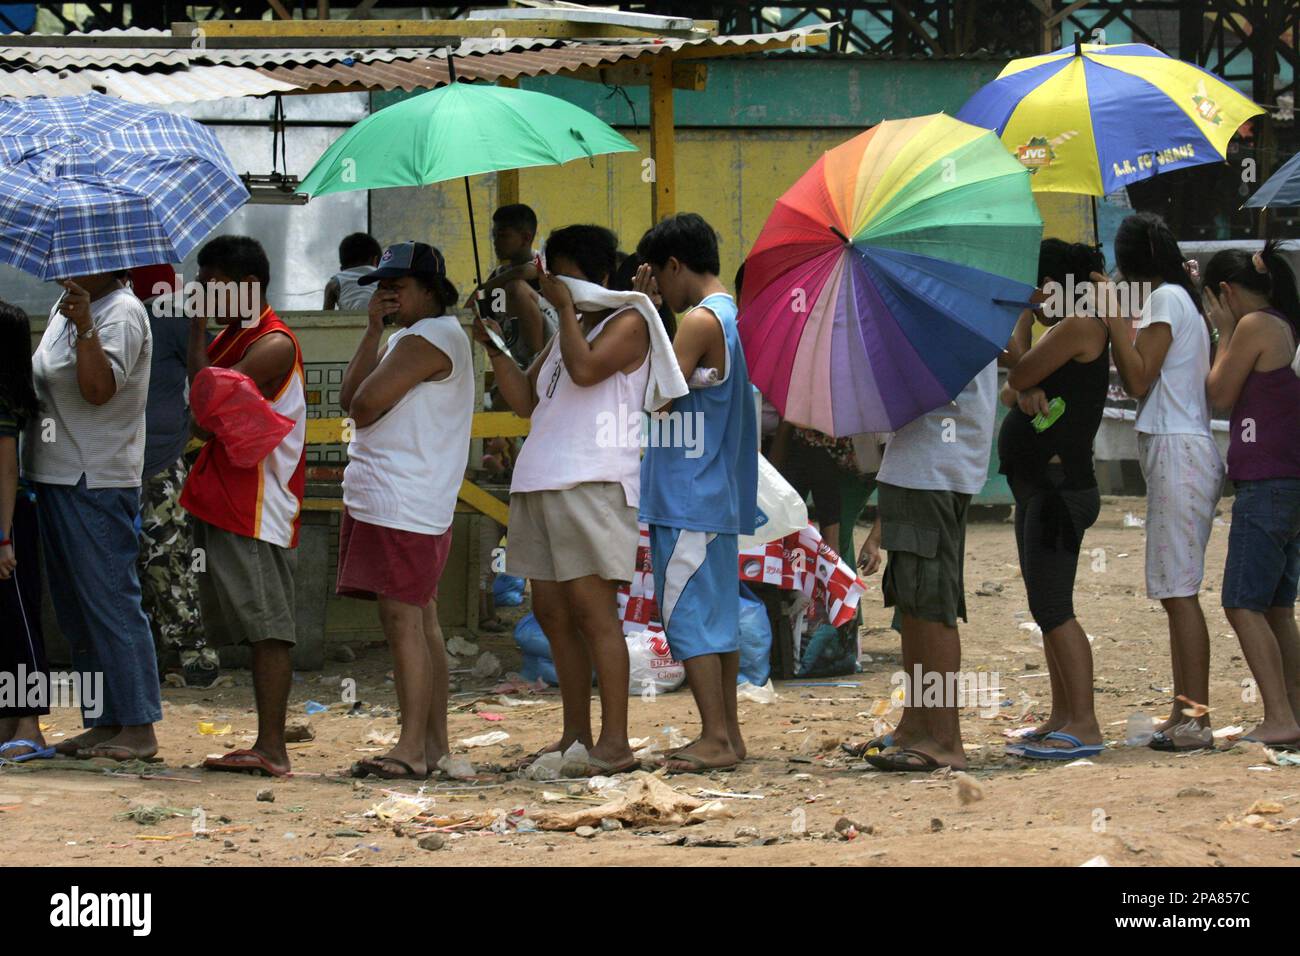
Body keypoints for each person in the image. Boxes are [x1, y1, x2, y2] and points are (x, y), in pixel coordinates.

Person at [474, 224, 650, 776]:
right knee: (551, 613)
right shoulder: (564, 332)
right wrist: (494, 345)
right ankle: (576, 734)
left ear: (598, 276)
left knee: (594, 613)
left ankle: (615, 741)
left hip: (591, 481)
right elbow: (526, 399)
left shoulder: (629, 321)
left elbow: (586, 369)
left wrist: (563, 312)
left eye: (565, 274)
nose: (556, 284)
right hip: (541, 480)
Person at [337, 243, 474, 779]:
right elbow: (354, 398)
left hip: (401, 500)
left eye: (400, 284)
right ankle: (432, 745)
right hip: (410, 500)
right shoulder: (412, 337)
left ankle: (412, 748)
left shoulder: (429, 336)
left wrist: (383, 340)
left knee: (403, 621)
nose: (387, 291)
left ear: (432, 290)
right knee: (421, 620)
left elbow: (364, 406)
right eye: (382, 284)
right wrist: (373, 331)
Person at [634, 213, 758, 773]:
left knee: (688, 616)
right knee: (717, 618)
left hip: (688, 493)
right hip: (716, 491)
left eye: (660, 276)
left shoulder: (698, 321)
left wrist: (644, 314)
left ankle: (713, 736)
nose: (659, 287)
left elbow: (656, 397)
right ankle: (728, 734)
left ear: (675, 265)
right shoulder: (730, 316)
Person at [181, 236, 306, 778]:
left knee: (269, 625)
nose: (203, 293)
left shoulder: (274, 342)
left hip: (260, 500)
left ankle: (272, 747)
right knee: (256, 624)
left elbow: (206, 401)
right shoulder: (236, 336)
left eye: (211, 284)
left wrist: (194, 331)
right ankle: (265, 742)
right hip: (230, 495)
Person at [26, 271, 160, 761]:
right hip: (57, 474)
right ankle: (104, 720)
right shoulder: (69, 303)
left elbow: (99, 389)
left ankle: (139, 725)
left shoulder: (120, 311)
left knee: (110, 599)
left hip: (95, 477)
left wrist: (85, 326)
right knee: (76, 611)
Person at [1105, 212, 1223, 752]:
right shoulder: (1180, 298)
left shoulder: (1166, 300)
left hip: (1179, 450)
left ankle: (1195, 718)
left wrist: (1110, 319)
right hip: (1180, 447)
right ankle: (1184, 711)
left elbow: (1136, 380)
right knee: (1177, 590)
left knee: (1180, 592)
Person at [998, 240, 1110, 759]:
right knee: (1044, 608)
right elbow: (1015, 386)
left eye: (1039, 287)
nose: (1035, 297)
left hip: (1060, 493)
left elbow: (1017, 371)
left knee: (1055, 607)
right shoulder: (1063, 331)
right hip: (1039, 489)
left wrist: (1022, 316)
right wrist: (1022, 390)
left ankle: (1084, 722)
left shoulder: (1080, 325)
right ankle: (1062, 714)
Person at [1203, 242, 1300, 747]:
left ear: (1226, 292)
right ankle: (1294, 713)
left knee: (1242, 603)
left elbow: (1218, 394)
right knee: (1278, 607)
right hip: (1289, 482)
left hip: (1266, 484)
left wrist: (1220, 331)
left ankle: (1280, 717)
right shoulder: (1284, 323)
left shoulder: (1253, 326)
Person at [129, 265, 215, 687]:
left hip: (156, 462)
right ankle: (170, 657)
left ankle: (190, 655)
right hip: (132, 462)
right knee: (162, 561)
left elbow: (211, 370)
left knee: (164, 560)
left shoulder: (169, 320)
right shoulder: (146, 317)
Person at [0, 301, 53, 763]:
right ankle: (8, 719)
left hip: (8, 522)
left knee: (19, 624)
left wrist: (2, 539)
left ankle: (30, 724)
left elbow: (5, 472)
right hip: (8, 520)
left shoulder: (2, 401)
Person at [485, 204, 558, 366]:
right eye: (494, 235)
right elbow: (470, 309)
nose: (496, 242)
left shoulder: (544, 266)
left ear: (526, 238)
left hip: (552, 352)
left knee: (515, 289)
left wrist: (485, 287)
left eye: (503, 236)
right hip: (513, 356)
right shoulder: (499, 275)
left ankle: (537, 365)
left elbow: (524, 272)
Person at [323, 232, 382, 310]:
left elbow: (326, 316)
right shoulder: (382, 277)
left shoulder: (335, 282)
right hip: (380, 317)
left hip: (352, 320)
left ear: (342, 268)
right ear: (375, 260)